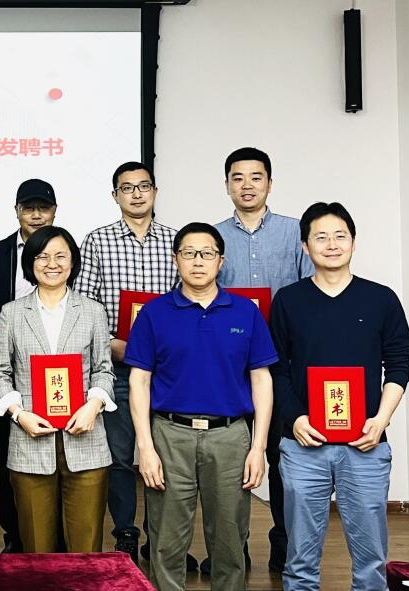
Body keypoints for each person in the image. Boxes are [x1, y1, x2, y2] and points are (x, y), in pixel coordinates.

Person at [127, 223, 276, 591]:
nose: (198, 261)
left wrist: (258, 447)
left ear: (220, 261)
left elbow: (262, 380)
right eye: (189, 253)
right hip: (169, 435)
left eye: (207, 253)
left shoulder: (245, 312)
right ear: (175, 259)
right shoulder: (154, 313)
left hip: (230, 437)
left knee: (229, 539)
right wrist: (145, 448)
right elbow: (139, 381)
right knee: (166, 540)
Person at [271, 202, 409, 591]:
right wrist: (296, 419)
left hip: (365, 443)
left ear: (353, 241)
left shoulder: (381, 299)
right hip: (303, 444)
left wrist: (380, 420)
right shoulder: (288, 300)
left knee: (371, 560)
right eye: (321, 237)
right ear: (305, 246)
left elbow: (398, 364)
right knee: (300, 560)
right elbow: (275, 368)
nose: (331, 244)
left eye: (340, 236)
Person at [212, 147, 314, 574]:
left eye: (256, 177)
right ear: (227, 185)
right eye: (238, 178)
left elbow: (311, 293)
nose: (247, 185)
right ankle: (233, 549)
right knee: (233, 458)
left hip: (283, 366)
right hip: (230, 368)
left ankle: (285, 543)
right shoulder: (214, 238)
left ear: (270, 183)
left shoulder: (295, 232)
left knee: (282, 457)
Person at [73, 161, 179, 565]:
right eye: (127, 187)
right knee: (119, 455)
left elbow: (184, 300)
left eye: (143, 186)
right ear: (115, 195)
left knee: (163, 453)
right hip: (116, 366)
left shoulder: (175, 241)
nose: (136, 193)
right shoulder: (97, 241)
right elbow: (87, 305)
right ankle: (126, 534)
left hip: (166, 370)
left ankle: (160, 536)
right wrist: (113, 345)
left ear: (155, 191)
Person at [0, 225, 117, 553]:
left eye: (61, 256)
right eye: (42, 256)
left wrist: (93, 407)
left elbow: (104, 369)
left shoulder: (92, 311)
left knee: (85, 550)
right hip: (30, 442)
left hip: (86, 440)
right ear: (30, 262)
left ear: (73, 262)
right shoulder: (11, 313)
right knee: (37, 550)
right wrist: (19, 415)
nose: (52, 264)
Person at [0, 178, 58, 554]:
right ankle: (14, 535)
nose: (36, 214)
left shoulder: (67, 252)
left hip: (59, 371)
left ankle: (56, 535)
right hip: (9, 371)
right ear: (17, 211)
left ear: (54, 211)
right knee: (11, 455)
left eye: (43, 207)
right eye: (29, 208)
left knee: (59, 453)